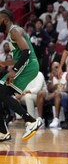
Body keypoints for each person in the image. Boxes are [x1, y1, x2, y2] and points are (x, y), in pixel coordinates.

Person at [0, 9, 42, 142]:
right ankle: (2, 131)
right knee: (1, 91)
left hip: (29, 65)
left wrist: (14, 70)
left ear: (5, 19)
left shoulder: (14, 31)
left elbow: (27, 52)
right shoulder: (11, 33)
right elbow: (19, 56)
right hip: (27, 64)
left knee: (4, 92)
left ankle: (31, 121)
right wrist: (4, 63)